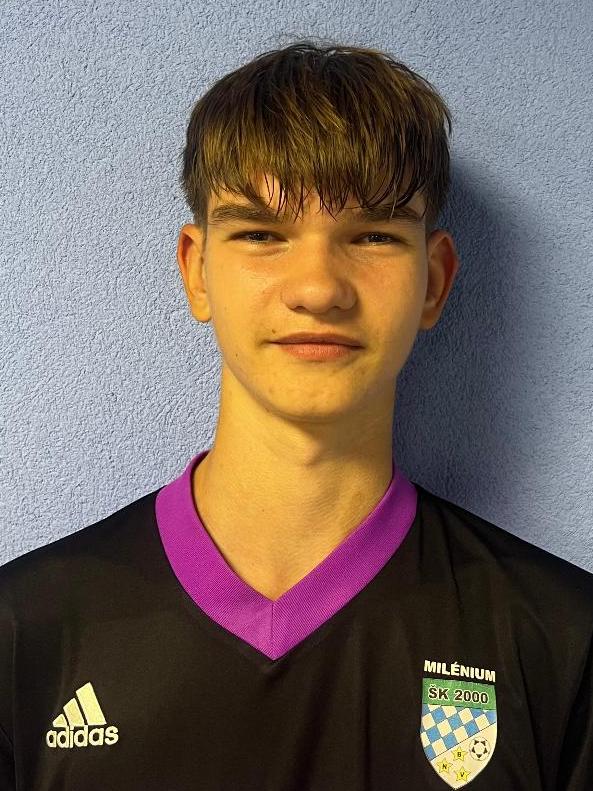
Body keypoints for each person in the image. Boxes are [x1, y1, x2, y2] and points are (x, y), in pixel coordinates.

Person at [1, 38, 591, 791]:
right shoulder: (24, 630)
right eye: (261, 234)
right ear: (197, 270)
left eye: (373, 235)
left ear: (435, 281)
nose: (317, 287)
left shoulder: (564, 642)